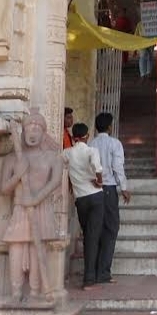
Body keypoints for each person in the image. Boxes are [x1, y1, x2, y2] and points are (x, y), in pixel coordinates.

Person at [0, 110, 63, 302]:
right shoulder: (13, 158)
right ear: (23, 132)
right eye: (29, 128)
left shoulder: (53, 157)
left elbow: (55, 182)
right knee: (16, 249)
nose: (33, 132)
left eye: (37, 129)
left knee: (38, 251)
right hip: (20, 208)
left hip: (41, 208)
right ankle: (16, 292)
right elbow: (4, 189)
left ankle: (35, 292)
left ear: (44, 133)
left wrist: (36, 199)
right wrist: (18, 175)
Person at [88, 112, 131, 284]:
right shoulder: (114, 143)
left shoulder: (91, 144)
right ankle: (104, 272)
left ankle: (93, 271)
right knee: (111, 228)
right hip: (108, 188)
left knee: (95, 229)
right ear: (109, 127)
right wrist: (124, 188)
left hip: (92, 189)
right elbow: (117, 167)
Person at [62, 122, 104, 290]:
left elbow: (61, 166)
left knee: (88, 236)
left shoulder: (67, 153)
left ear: (73, 137)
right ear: (87, 136)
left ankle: (91, 276)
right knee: (93, 238)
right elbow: (97, 168)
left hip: (81, 200)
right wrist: (99, 181)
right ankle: (89, 279)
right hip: (96, 197)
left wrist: (71, 182)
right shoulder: (91, 151)